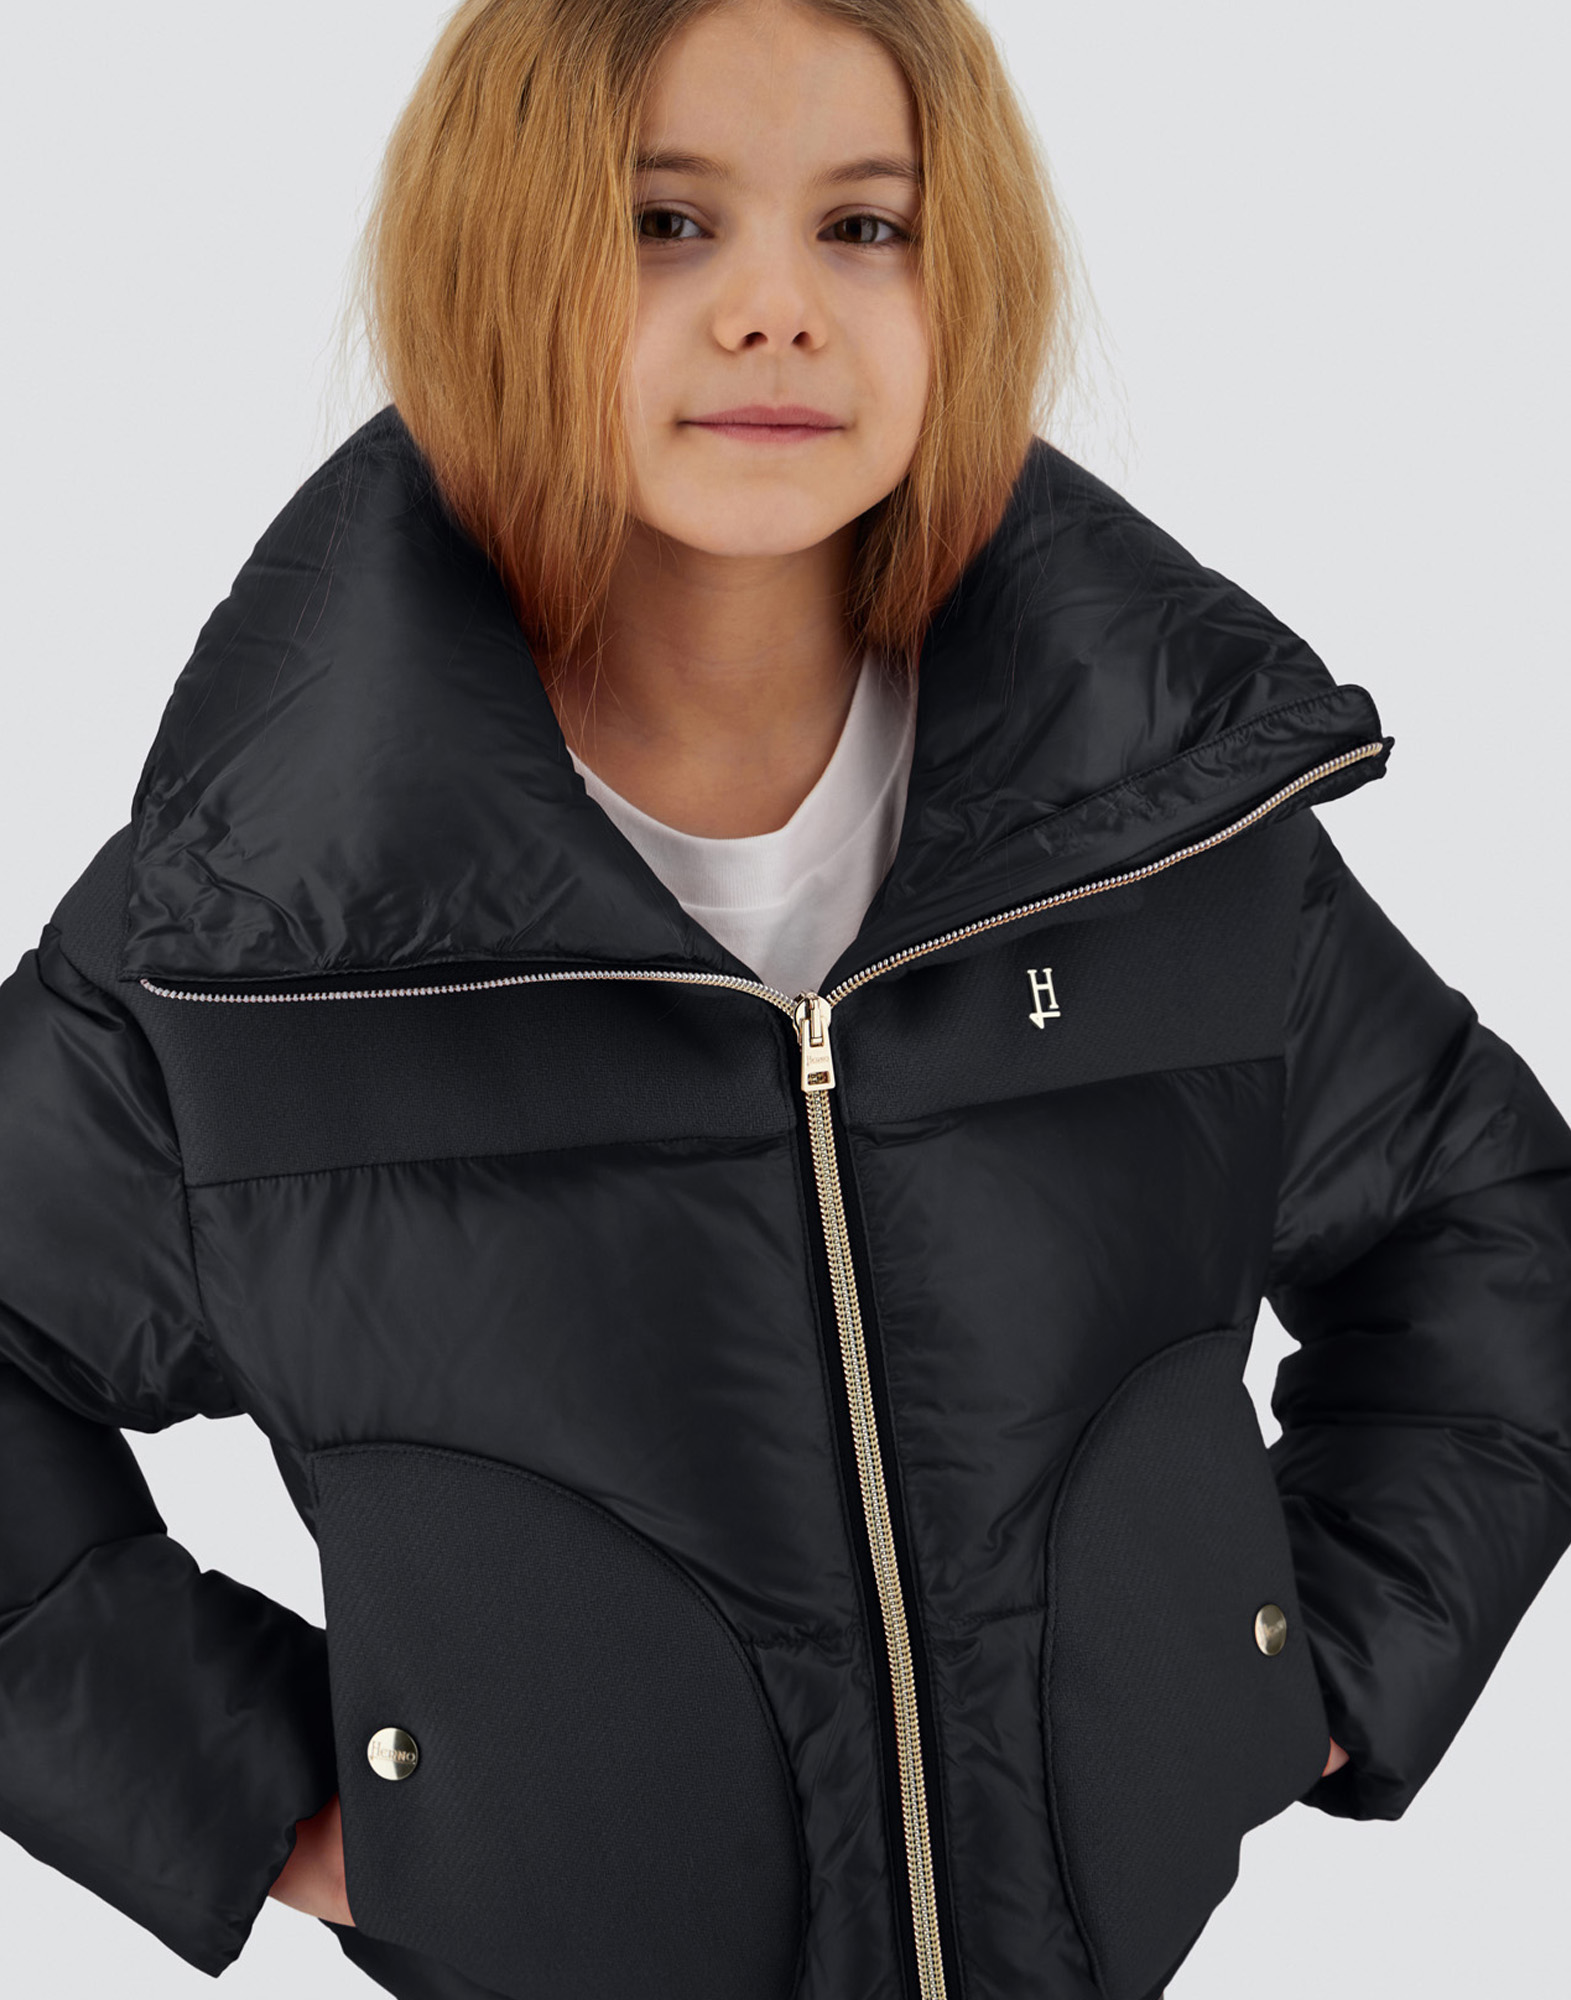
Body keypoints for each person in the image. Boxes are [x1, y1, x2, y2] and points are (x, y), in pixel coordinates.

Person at [1, 1, 1567, 1997]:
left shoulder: (1154, 831)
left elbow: (1489, 1222)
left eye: (865, 227)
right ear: (490, 260)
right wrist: (247, 1794)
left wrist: (1301, 1674)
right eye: (664, 224)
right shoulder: (264, 930)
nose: (774, 308)